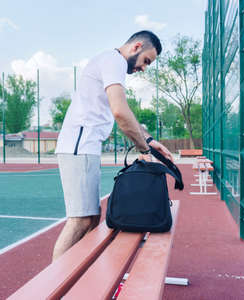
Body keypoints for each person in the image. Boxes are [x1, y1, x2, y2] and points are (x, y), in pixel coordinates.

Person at [53, 30, 174, 261]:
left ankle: (78, 278)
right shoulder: (113, 61)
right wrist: (144, 151)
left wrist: (148, 140)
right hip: (79, 145)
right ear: (136, 46)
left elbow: (122, 112)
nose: (144, 68)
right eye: (146, 61)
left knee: (91, 219)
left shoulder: (111, 63)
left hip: (85, 145)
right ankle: (55, 288)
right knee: (79, 220)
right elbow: (120, 112)